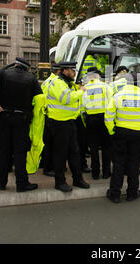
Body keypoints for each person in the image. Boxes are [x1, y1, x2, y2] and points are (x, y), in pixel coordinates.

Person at [0, 57, 42, 192]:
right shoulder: (31, 78)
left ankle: (1, 182)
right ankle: (22, 184)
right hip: (21, 119)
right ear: (26, 68)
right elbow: (39, 97)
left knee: (3, 151)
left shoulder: (4, 74)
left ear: (16, 65)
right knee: (20, 152)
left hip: (4, 117)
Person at [105, 73, 140, 203]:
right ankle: (132, 193)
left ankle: (115, 194)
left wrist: (112, 131)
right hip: (138, 135)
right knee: (134, 164)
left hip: (120, 134)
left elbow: (108, 116)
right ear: (139, 83)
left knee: (118, 163)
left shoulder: (117, 96)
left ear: (126, 82)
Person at [46, 61, 90, 192]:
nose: (74, 73)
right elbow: (67, 99)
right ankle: (60, 182)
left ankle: (78, 179)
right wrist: (81, 91)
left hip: (69, 122)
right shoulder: (57, 83)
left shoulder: (67, 83)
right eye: (73, 70)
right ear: (65, 71)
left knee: (74, 153)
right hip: (60, 123)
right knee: (60, 154)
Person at [82, 67, 113, 180]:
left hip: (90, 119)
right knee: (106, 147)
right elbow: (111, 103)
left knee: (93, 148)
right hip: (104, 119)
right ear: (98, 76)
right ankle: (106, 172)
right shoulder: (105, 86)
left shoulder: (85, 88)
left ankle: (95, 173)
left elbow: (82, 106)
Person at [39, 63, 62, 177]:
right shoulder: (55, 82)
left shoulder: (47, 81)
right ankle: (49, 168)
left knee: (48, 143)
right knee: (51, 144)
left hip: (47, 115)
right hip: (52, 116)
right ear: (58, 72)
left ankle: (45, 165)